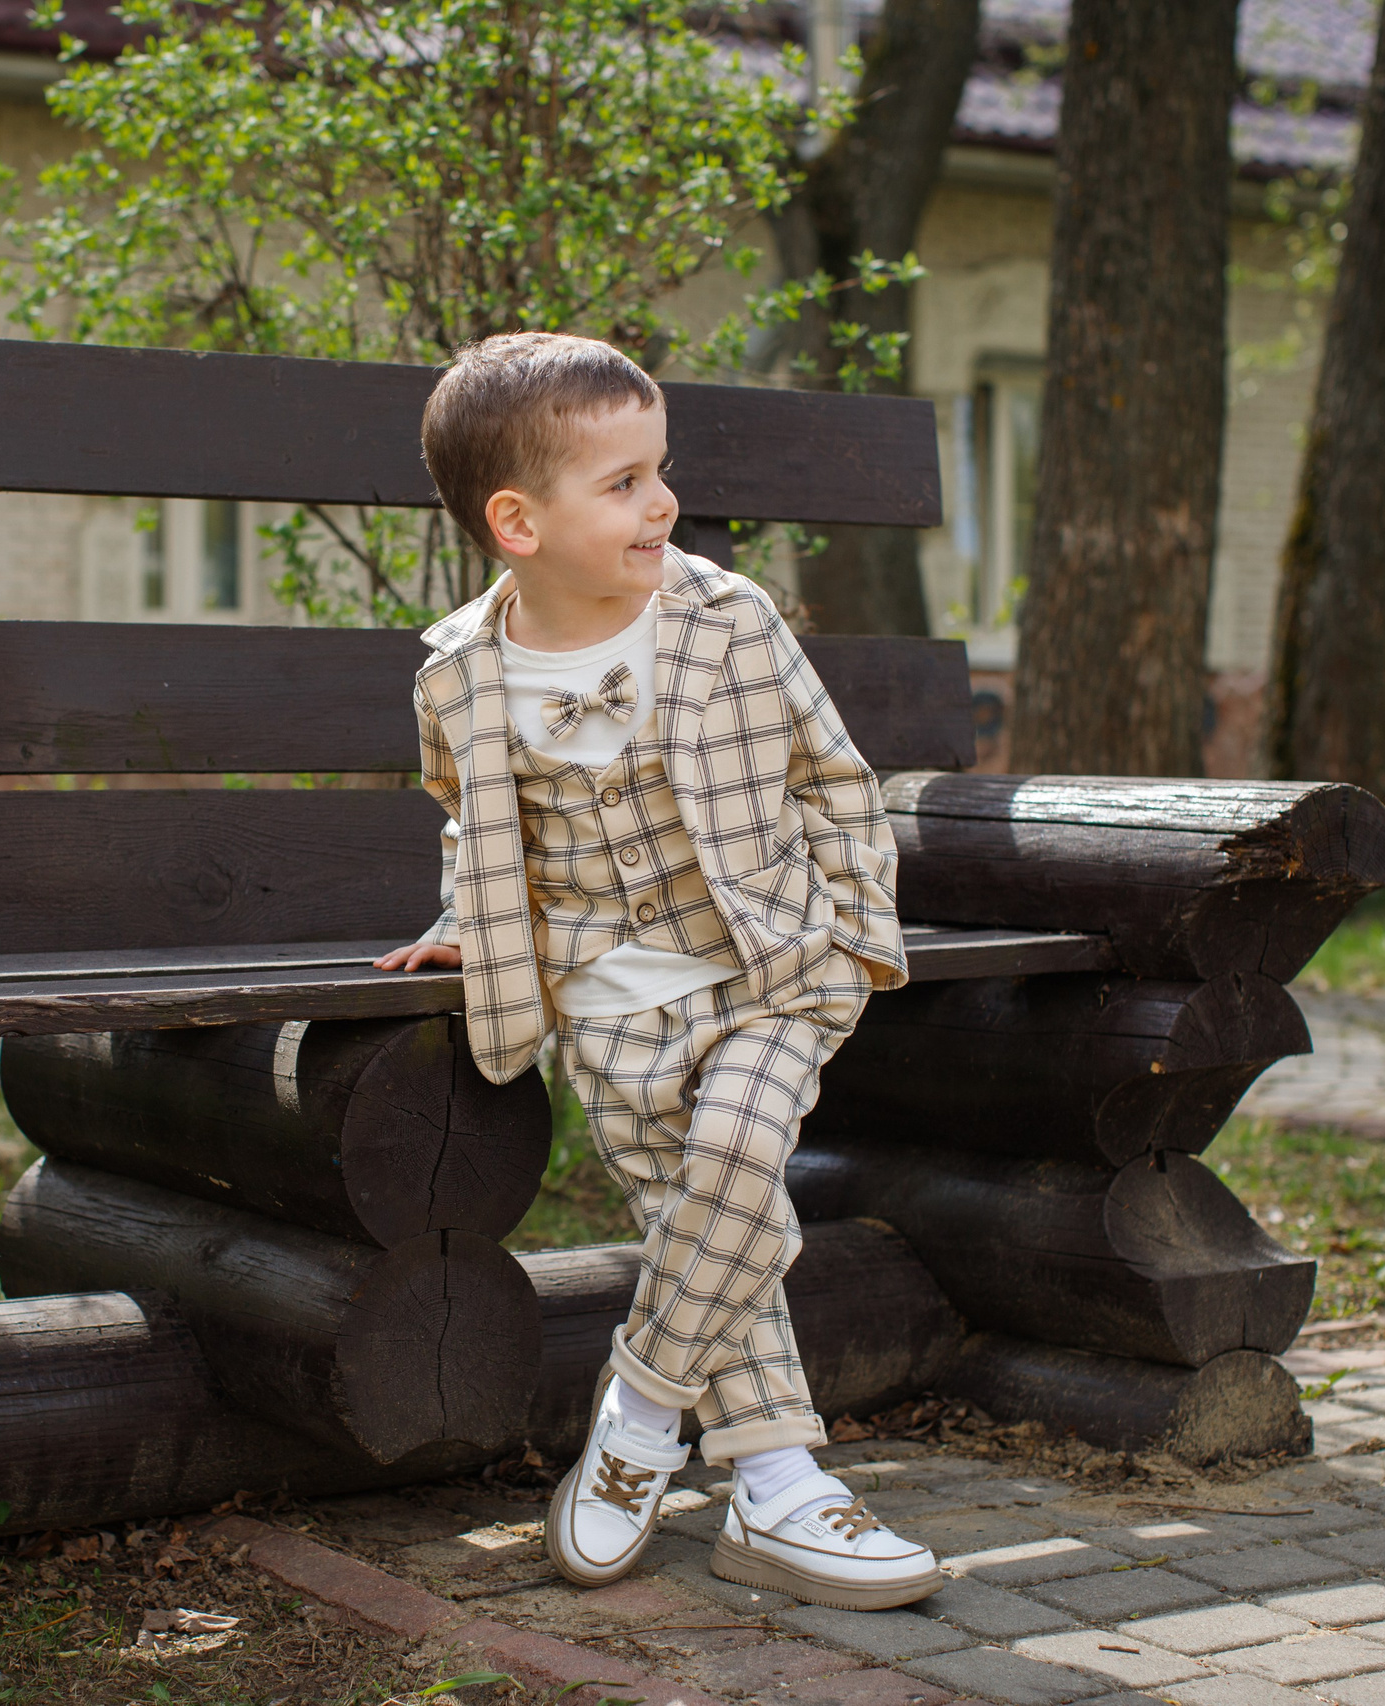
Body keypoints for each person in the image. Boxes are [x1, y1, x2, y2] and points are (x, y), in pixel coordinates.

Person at [373, 332, 941, 1611]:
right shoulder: (462, 672)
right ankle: (780, 1487)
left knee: (737, 1162)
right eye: (623, 481)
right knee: (714, 1219)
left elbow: (833, 779)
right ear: (516, 521)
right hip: (607, 1003)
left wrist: (856, 933)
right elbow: (466, 810)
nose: (663, 501)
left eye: (659, 469)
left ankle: (636, 1411)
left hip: (768, 966)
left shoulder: (727, 619)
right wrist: (473, 914)